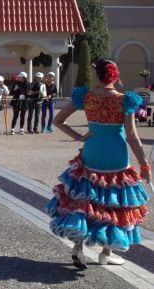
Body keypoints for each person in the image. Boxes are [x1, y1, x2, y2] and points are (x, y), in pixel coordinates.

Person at [45, 59, 151, 269]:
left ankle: (78, 247)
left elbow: (58, 121)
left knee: (85, 199)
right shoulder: (126, 100)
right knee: (114, 201)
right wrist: (144, 164)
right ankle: (106, 252)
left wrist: (78, 136)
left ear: (99, 76)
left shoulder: (86, 96)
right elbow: (131, 135)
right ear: (115, 75)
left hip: (92, 150)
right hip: (116, 154)